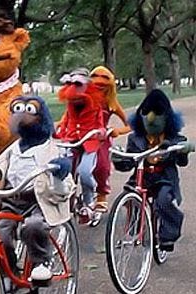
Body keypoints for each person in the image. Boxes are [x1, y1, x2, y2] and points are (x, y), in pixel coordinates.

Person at [0, 96, 74, 281]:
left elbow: (66, 187)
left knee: (34, 226)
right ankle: (9, 271)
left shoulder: (51, 150)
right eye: (17, 110)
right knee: (0, 232)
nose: (20, 116)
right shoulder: (13, 149)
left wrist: (58, 175)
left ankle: (42, 261)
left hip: (39, 201)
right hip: (12, 198)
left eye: (29, 111)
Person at [113, 89, 193, 252]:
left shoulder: (174, 139)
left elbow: (182, 162)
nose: (150, 117)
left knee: (163, 200)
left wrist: (183, 150)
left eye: (157, 113)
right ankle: (135, 227)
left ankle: (168, 235)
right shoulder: (135, 138)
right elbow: (129, 162)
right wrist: (119, 160)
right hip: (141, 177)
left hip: (164, 178)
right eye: (146, 112)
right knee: (130, 196)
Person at [55, 67, 106, 223]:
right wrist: (59, 132)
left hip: (89, 143)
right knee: (62, 171)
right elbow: (66, 121)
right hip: (71, 141)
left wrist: (101, 132)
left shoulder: (95, 106)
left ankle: (89, 200)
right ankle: (65, 203)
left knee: (84, 172)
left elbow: (100, 125)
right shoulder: (70, 105)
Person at [89, 66, 131, 213]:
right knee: (70, 162)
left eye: (105, 78)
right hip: (82, 137)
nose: (99, 81)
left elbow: (130, 125)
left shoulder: (110, 102)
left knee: (102, 167)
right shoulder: (83, 99)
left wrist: (117, 131)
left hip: (101, 138)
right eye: (95, 76)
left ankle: (101, 195)